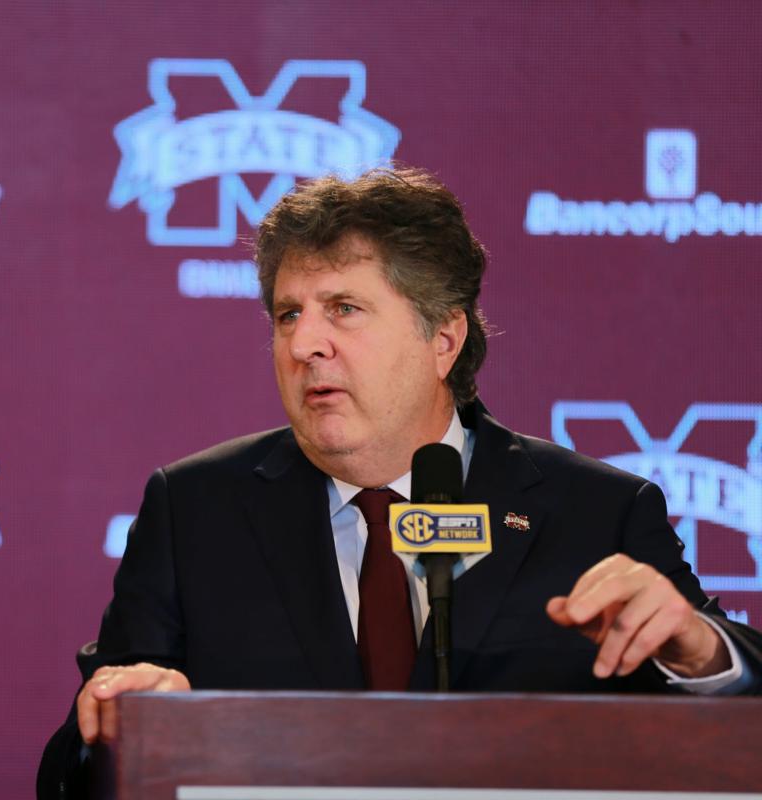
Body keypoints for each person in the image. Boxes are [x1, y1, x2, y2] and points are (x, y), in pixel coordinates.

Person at [37, 167, 762, 799]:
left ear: (442, 339)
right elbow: (68, 773)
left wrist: (701, 652)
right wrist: (114, 725)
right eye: (289, 314)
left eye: (344, 310)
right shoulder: (195, 511)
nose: (303, 344)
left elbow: (738, 719)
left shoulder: (594, 513)